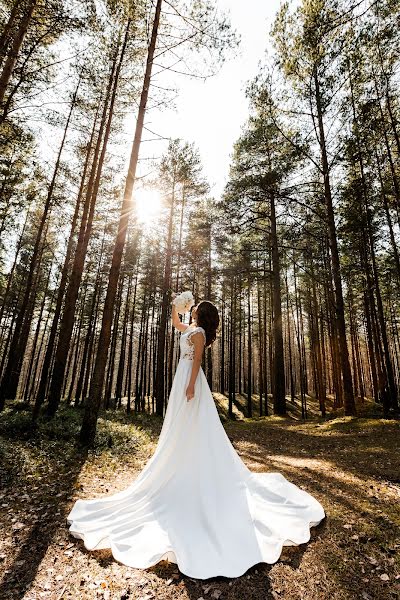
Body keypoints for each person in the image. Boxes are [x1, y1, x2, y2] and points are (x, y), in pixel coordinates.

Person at [67, 298, 325, 579]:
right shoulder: (189, 327)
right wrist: (176, 305)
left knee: (195, 427)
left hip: (190, 382)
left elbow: (198, 360)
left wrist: (190, 385)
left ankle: (197, 466)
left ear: (202, 315)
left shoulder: (200, 334)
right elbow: (176, 323)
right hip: (181, 380)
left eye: (195, 309)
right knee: (178, 428)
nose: (192, 312)